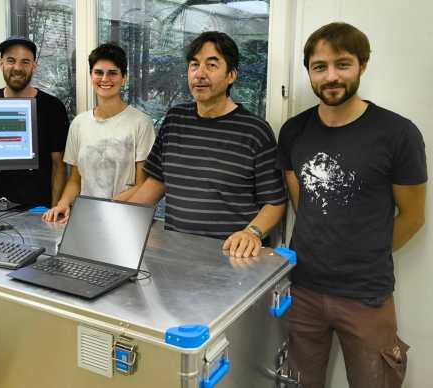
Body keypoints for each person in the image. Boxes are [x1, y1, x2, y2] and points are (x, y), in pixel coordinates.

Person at [277, 22, 427, 388]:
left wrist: (364, 252)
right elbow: (305, 202)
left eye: (342, 64)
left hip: (366, 295)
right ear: (309, 71)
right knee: (296, 383)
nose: (331, 76)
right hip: (302, 290)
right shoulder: (293, 131)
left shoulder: (397, 133)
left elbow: (413, 216)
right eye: (319, 66)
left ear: (362, 65)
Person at [129, 31, 287, 257]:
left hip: (232, 259)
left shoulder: (255, 131)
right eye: (194, 65)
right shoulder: (175, 120)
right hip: (176, 255)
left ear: (231, 75)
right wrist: (114, 219)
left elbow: (275, 202)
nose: (199, 74)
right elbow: (155, 185)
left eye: (211, 65)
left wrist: (251, 232)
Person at [42, 43, 155, 223]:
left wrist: (105, 208)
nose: (105, 78)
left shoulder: (141, 123)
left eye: (112, 73)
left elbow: (143, 185)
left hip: (126, 218)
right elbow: (75, 181)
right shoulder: (79, 124)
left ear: (124, 78)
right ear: (91, 76)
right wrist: (63, 203)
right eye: (98, 72)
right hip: (87, 218)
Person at [0, 36, 69, 208]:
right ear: (0, 63)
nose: (17, 68)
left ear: (34, 66)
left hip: (38, 208)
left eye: (25, 62)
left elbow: (59, 165)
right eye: (11, 60)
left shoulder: (52, 107)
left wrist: (55, 208)